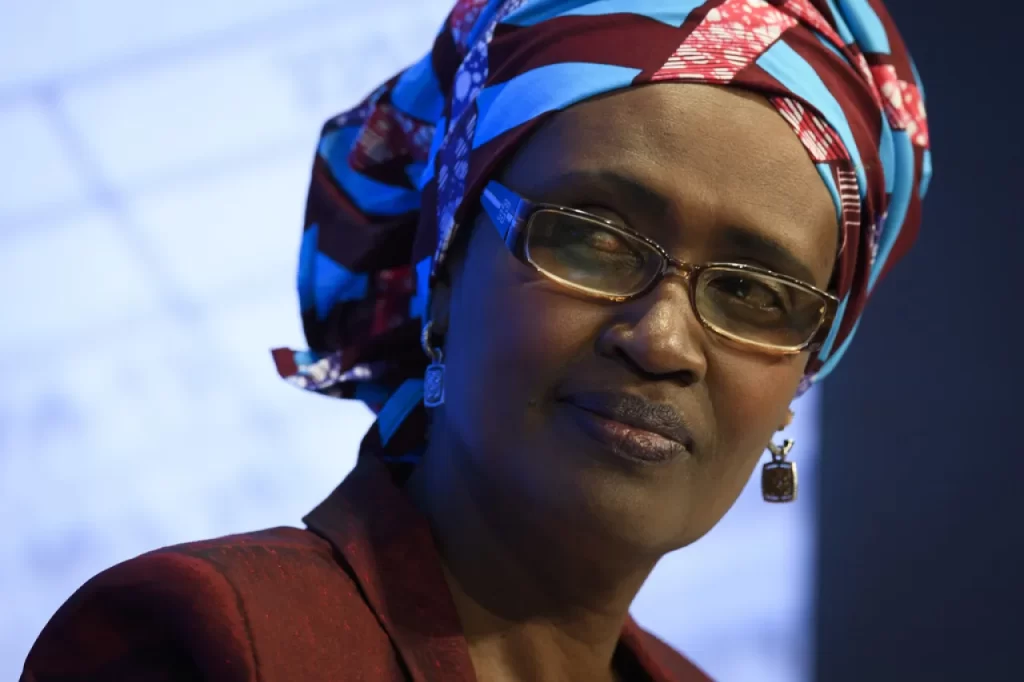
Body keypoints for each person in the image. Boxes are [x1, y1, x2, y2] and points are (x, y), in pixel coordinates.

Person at [22, 0, 930, 680]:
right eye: (592, 237)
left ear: (806, 372)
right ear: (447, 269)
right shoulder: (213, 641)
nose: (661, 341)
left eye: (755, 293)